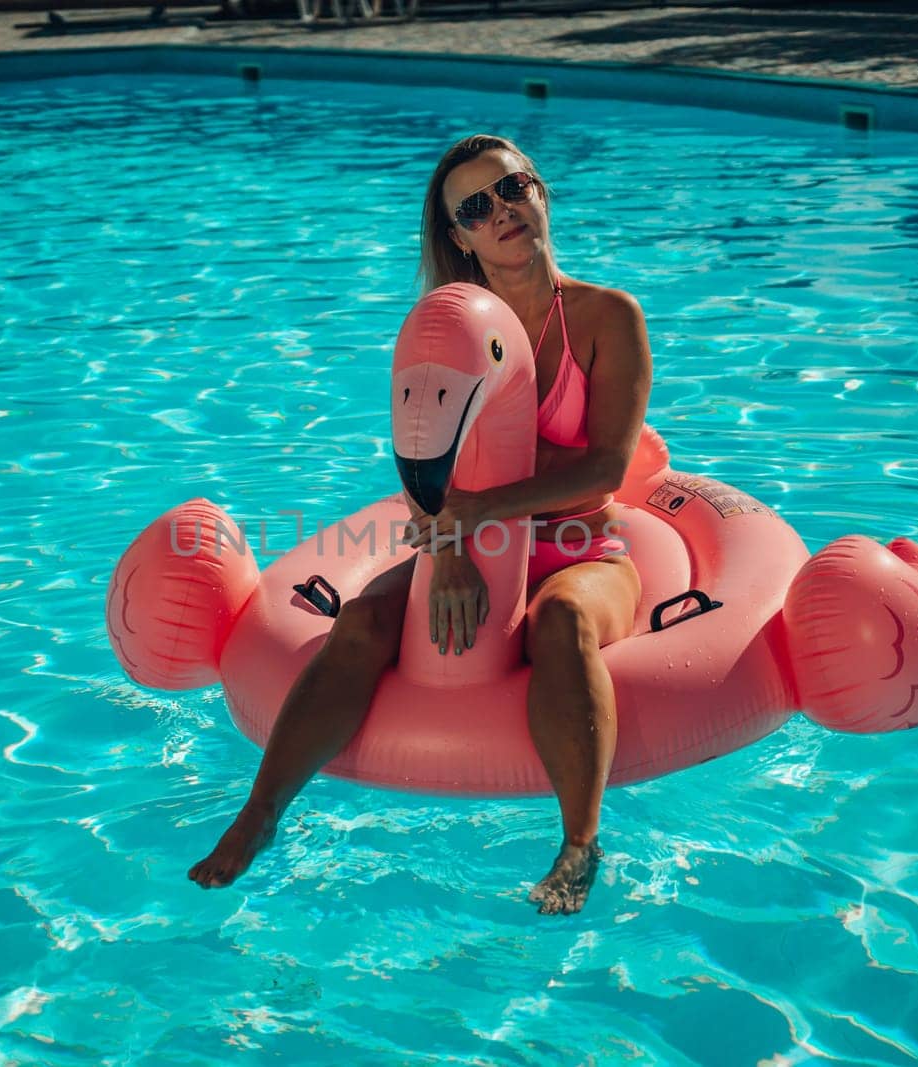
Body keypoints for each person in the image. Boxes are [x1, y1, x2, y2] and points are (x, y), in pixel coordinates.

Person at [187, 134, 653, 915]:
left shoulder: (607, 316)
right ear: (459, 236)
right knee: (364, 617)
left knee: (564, 618)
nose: (501, 211)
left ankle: (580, 842)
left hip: (581, 545)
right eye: (475, 207)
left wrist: (484, 513)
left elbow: (606, 467)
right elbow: (419, 465)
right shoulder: (448, 327)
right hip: (472, 537)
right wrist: (455, 548)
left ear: (541, 192)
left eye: (512, 189)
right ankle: (261, 810)